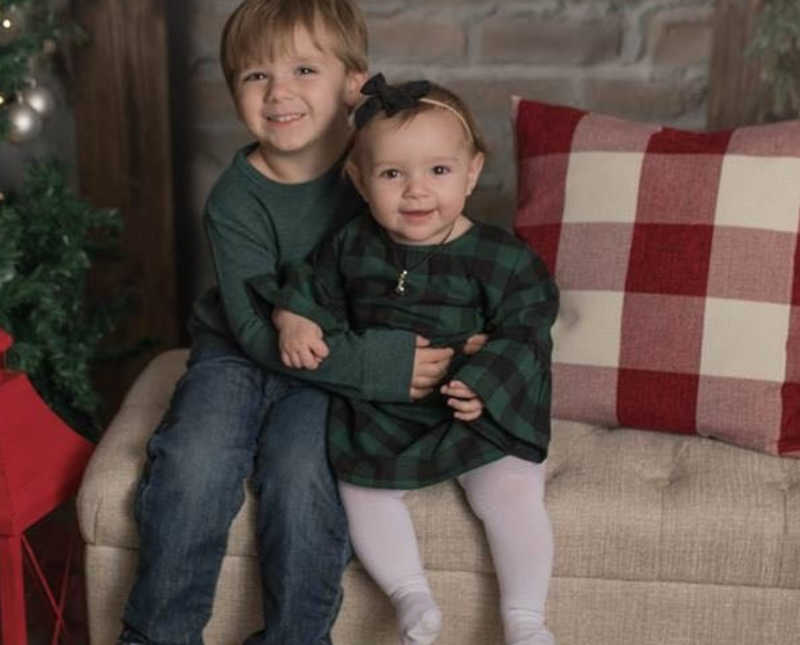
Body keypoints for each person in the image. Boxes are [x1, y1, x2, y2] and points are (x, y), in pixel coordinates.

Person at [116, 3, 461, 644]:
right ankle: (157, 633)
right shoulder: (234, 199)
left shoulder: (384, 174)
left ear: (354, 83)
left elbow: (426, 265)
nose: (279, 92)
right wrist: (378, 366)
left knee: (303, 475)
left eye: (304, 68)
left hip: (325, 375)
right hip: (237, 354)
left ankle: (297, 636)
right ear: (234, 92)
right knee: (193, 460)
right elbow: (253, 333)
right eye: (255, 76)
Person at [268, 74, 559, 645]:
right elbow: (310, 284)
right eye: (392, 174)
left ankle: (525, 618)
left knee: (512, 489)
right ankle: (411, 596)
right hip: (386, 409)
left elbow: (529, 324)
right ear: (359, 179)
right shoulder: (353, 246)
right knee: (360, 486)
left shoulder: (499, 256)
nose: (416, 191)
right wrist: (293, 315)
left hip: (474, 405)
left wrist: (486, 378)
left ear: (472, 171)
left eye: (439, 171)